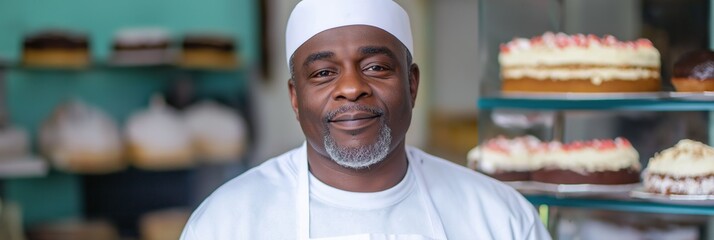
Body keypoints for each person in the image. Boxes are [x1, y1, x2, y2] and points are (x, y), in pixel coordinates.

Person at [181, 0, 551, 239]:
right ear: (295, 98)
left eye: (375, 67)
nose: (352, 88)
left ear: (411, 83)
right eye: (324, 73)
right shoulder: (226, 223)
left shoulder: (500, 218)